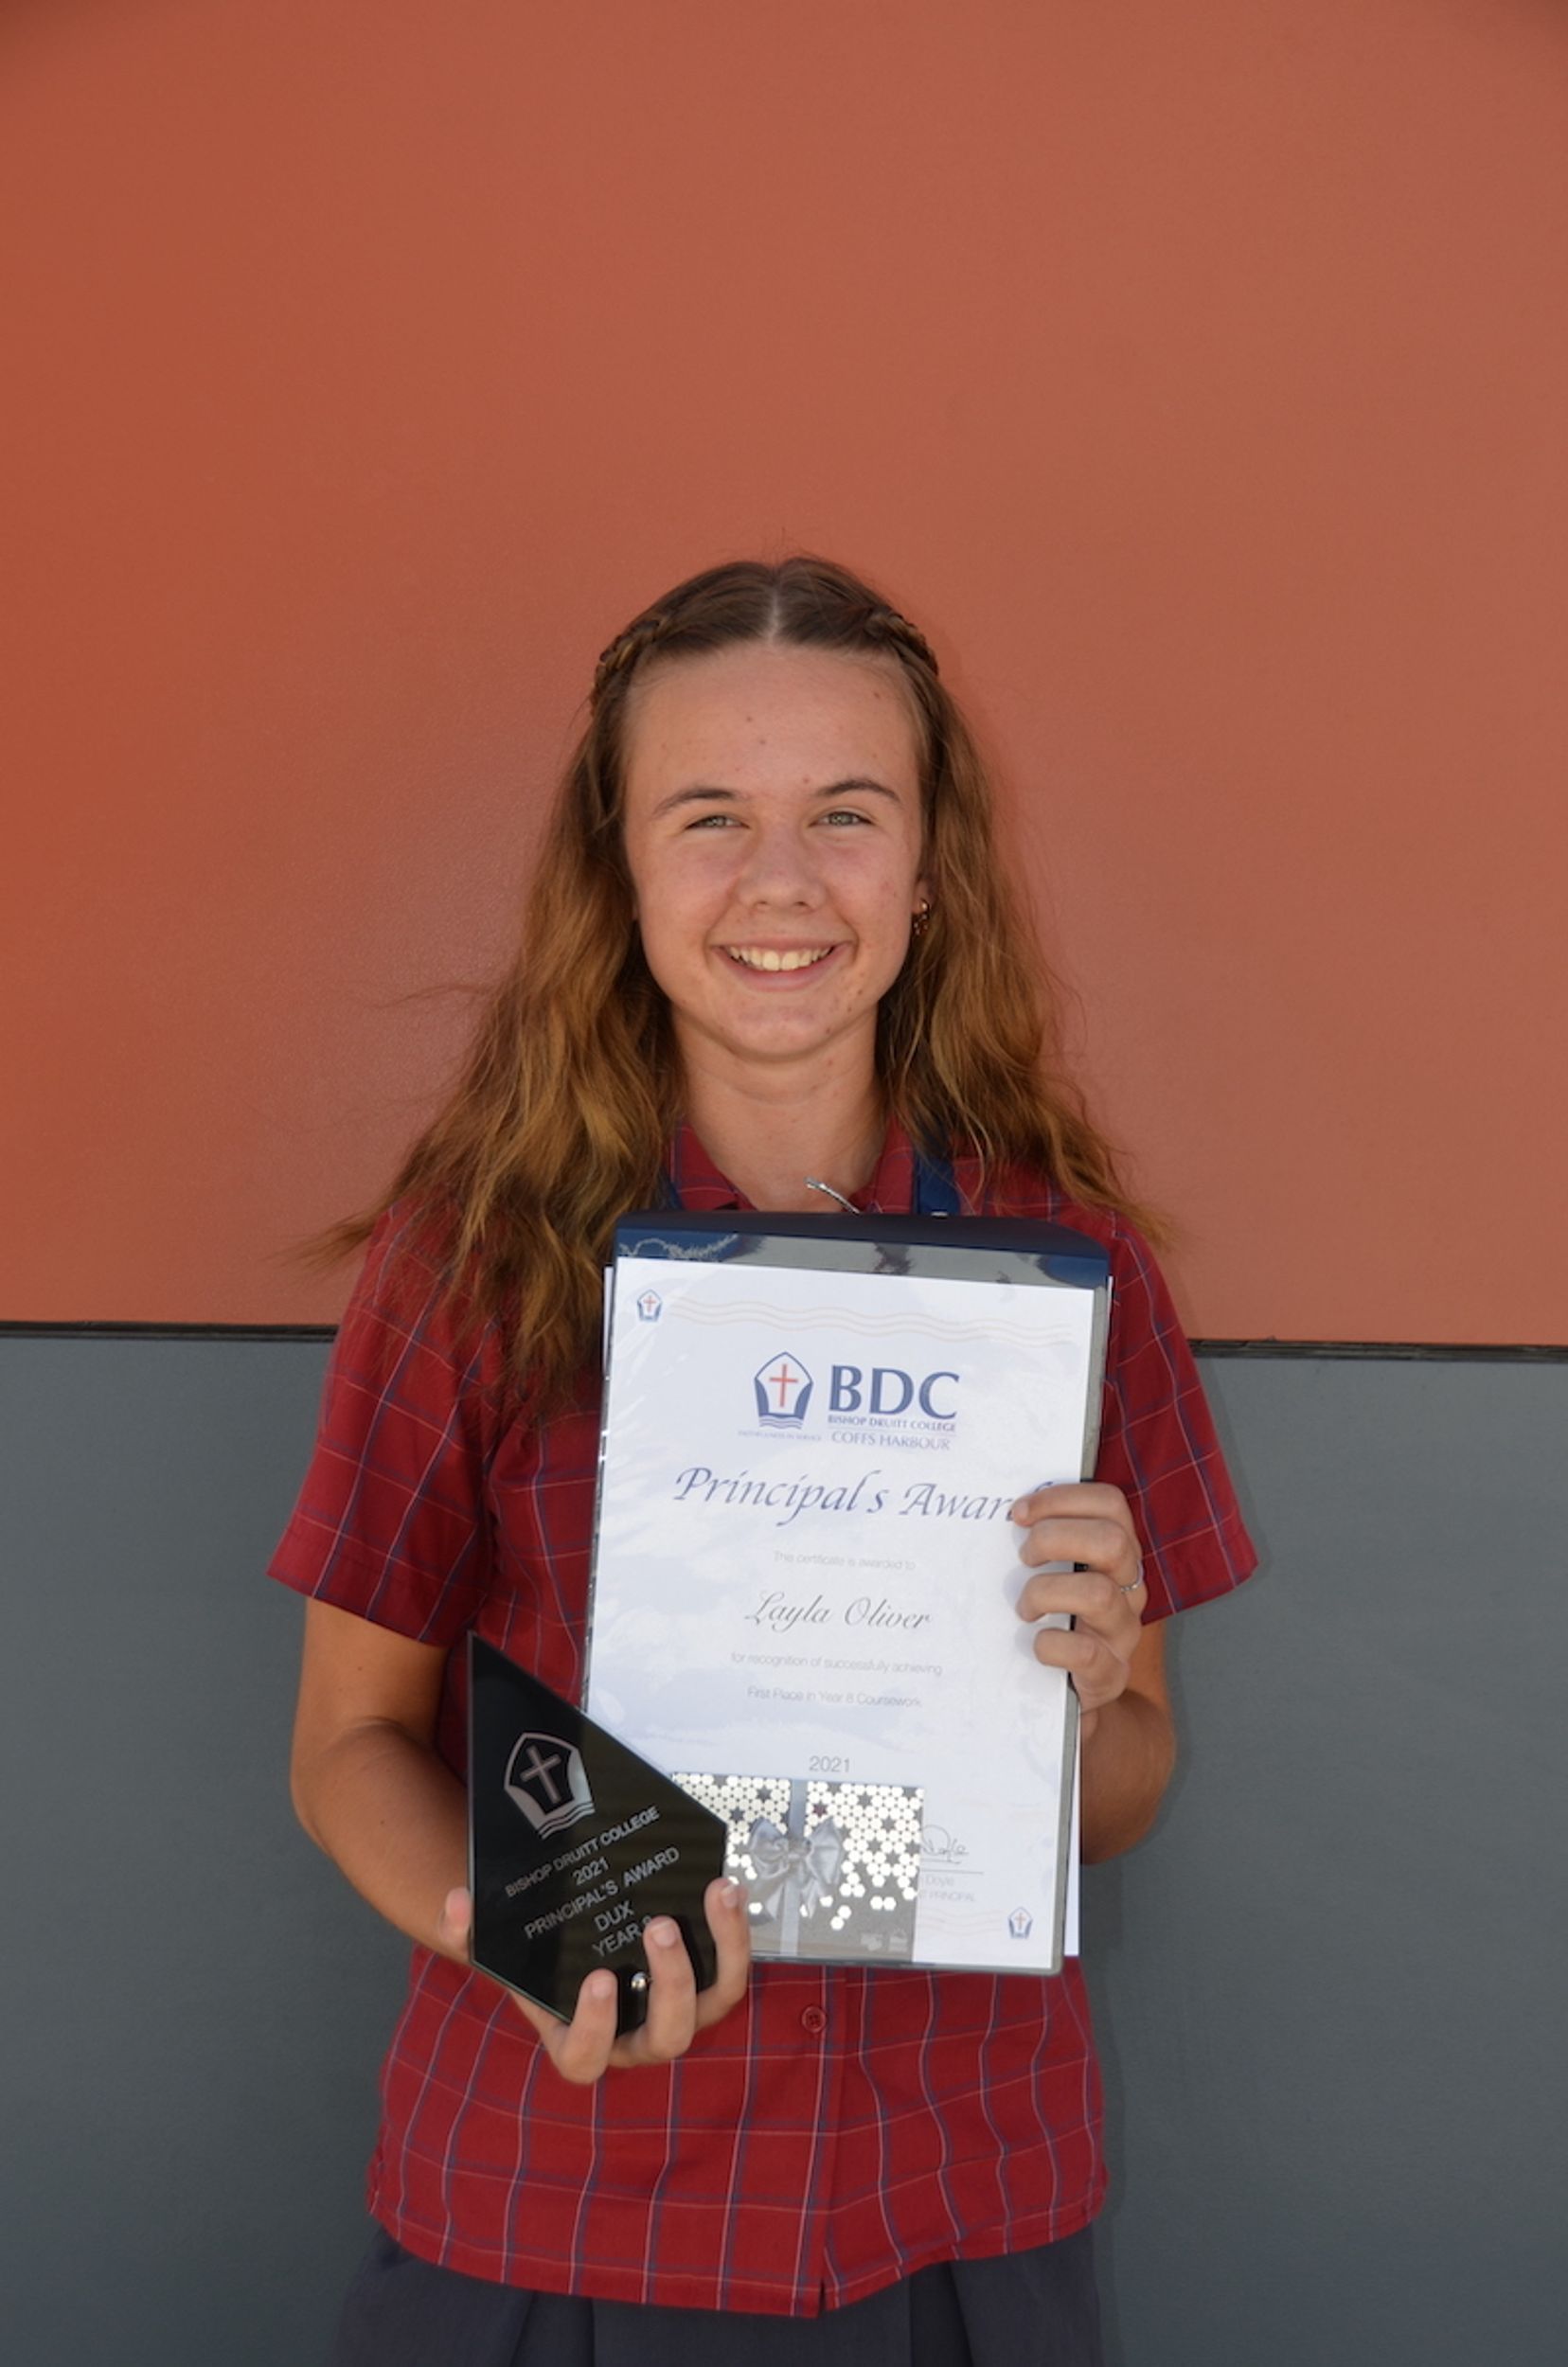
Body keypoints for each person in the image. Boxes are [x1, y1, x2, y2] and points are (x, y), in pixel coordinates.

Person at [273, 556, 1256, 2364]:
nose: (782, 880)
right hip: (559, 2192)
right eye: (710, 815)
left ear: (929, 870)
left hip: (951, 2204)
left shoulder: (1068, 1274)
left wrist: (1095, 1684)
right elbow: (346, 1745)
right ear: (622, 871)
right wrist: (528, 1938)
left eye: (847, 814)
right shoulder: (470, 1258)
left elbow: (1124, 1788)